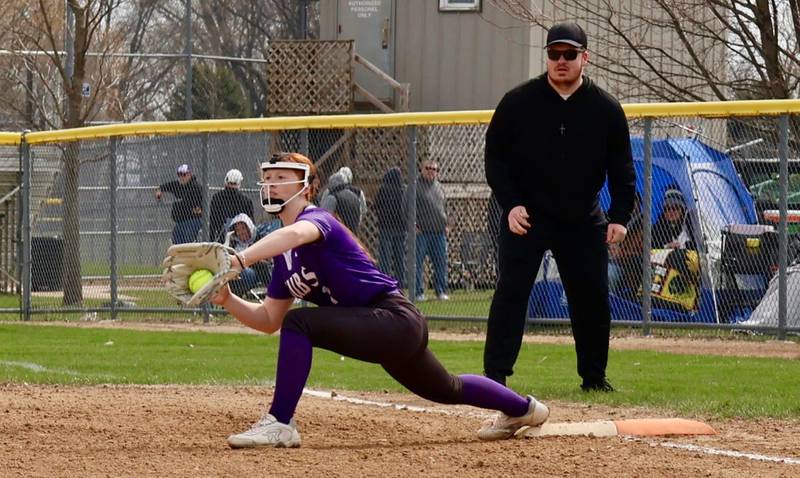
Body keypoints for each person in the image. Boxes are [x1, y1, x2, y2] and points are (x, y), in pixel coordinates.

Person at [210, 152, 550, 448]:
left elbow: (297, 234)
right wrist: (227, 299)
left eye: (282, 178)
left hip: (393, 318)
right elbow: (269, 319)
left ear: (307, 186)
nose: (271, 185)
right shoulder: (283, 258)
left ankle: (280, 423)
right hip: (381, 328)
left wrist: (242, 259)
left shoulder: (316, 219)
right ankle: (526, 409)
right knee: (448, 388)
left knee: (300, 322)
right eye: (267, 179)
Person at [483, 22, 636, 392]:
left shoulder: (606, 109)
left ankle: (594, 379)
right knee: (512, 292)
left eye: (570, 54)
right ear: (547, 57)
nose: (561, 61)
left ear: (585, 57)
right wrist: (511, 204)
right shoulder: (518, 102)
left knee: (592, 298)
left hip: (582, 217)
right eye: (554, 54)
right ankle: (496, 377)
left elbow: (622, 168)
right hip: (528, 216)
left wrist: (620, 216)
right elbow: (495, 159)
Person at [415, 160, 449, 301]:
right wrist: (413, 225)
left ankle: (440, 291)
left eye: (434, 169)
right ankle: (418, 292)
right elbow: (406, 208)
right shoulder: (414, 187)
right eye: (428, 168)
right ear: (422, 169)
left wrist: (446, 225)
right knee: (417, 263)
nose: (431, 171)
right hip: (421, 233)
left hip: (439, 233)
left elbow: (445, 208)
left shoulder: (439, 187)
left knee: (441, 262)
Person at [223, 212, 278, 297]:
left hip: (255, 272)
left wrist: (248, 260)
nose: (241, 232)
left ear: (249, 228)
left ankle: (273, 292)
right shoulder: (234, 245)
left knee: (249, 271)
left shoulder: (260, 239)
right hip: (235, 272)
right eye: (238, 230)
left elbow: (268, 260)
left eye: (243, 229)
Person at [155, 164, 204, 244]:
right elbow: (165, 186)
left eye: (184, 174)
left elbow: (202, 204)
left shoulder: (196, 187)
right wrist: (159, 190)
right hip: (181, 221)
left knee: (187, 242)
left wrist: (199, 209)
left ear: (189, 174)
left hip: (193, 220)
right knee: (176, 240)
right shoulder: (178, 185)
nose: (181, 177)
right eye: (179, 174)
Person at [375, 167, 407, 286]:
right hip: (400, 228)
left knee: (385, 258)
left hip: (385, 228)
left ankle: (384, 282)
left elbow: (377, 206)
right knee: (400, 257)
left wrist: (382, 217)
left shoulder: (383, 189)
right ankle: (400, 283)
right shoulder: (403, 190)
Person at [210, 169, 255, 243]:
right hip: (239, 236)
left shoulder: (216, 197)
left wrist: (211, 240)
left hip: (221, 235)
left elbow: (213, 222)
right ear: (239, 182)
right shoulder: (246, 200)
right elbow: (251, 222)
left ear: (226, 181)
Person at [320, 166, 367, 233]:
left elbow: (324, 214)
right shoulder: (357, 194)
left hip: (336, 231)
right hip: (353, 229)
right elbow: (363, 210)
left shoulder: (332, 195)